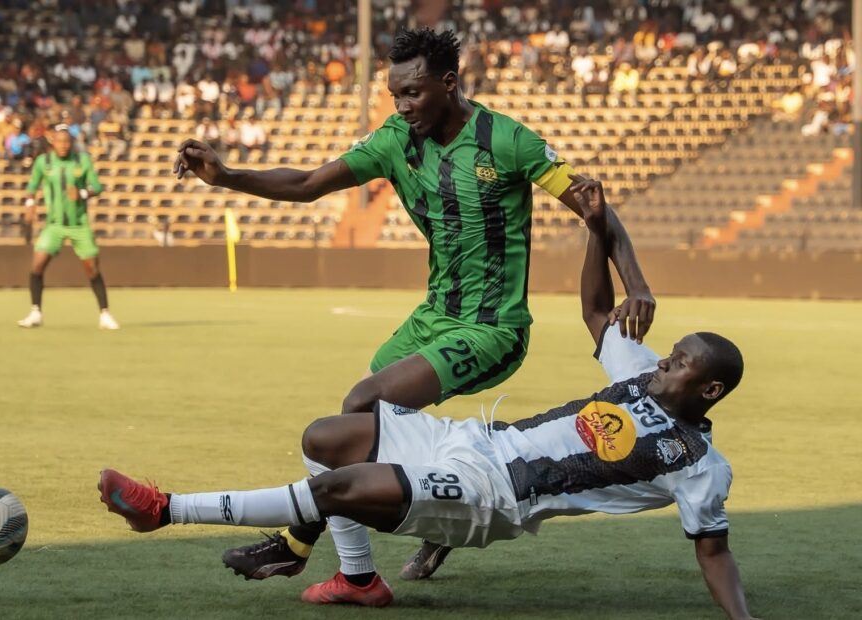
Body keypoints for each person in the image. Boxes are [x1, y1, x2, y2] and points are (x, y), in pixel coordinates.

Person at [98, 178, 754, 617]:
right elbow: (594, 309)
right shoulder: (639, 372)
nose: (665, 361)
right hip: (475, 440)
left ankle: (166, 510)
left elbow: (714, 552)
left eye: (681, 363)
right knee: (326, 437)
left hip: (497, 497)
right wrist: (594, 228)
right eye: (671, 355)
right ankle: (359, 580)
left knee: (339, 488)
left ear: (711, 389)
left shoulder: (696, 460)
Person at [171, 28, 655, 589]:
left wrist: (636, 285)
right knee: (357, 424)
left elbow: (596, 207)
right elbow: (307, 183)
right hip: (432, 319)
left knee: (361, 401)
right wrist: (228, 176)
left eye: (413, 94)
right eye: (395, 95)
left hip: (491, 329)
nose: (402, 107)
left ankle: (300, 544)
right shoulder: (396, 139)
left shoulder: (508, 140)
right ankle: (400, 541)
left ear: (448, 84)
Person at [17, 125, 120, 330]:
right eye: (59, 141)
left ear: (71, 143)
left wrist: (82, 193)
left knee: (92, 269)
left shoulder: (82, 160)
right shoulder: (43, 162)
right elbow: (32, 187)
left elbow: (97, 187)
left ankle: (105, 314)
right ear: (53, 142)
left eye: (66, 141)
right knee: (37, 265)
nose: (63, 145)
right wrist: (30, 205)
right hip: (54, 224)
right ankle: (35, 312)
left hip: (79, 224)